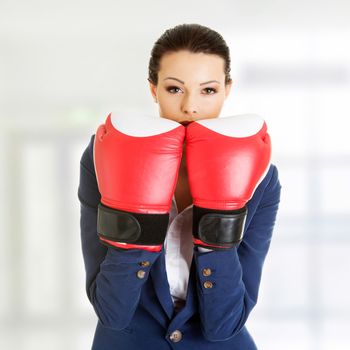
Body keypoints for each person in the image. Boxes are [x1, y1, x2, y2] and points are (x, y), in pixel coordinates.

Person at [78, 23, 282, 349]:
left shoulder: (259, 175)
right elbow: (112, 312)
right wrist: (136, 217)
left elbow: (225, 324)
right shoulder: (104, 156)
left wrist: (218, 219)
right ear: (153, 89)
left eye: (208, 90)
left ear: (227, 90)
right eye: (175, 89)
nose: (190, 106)